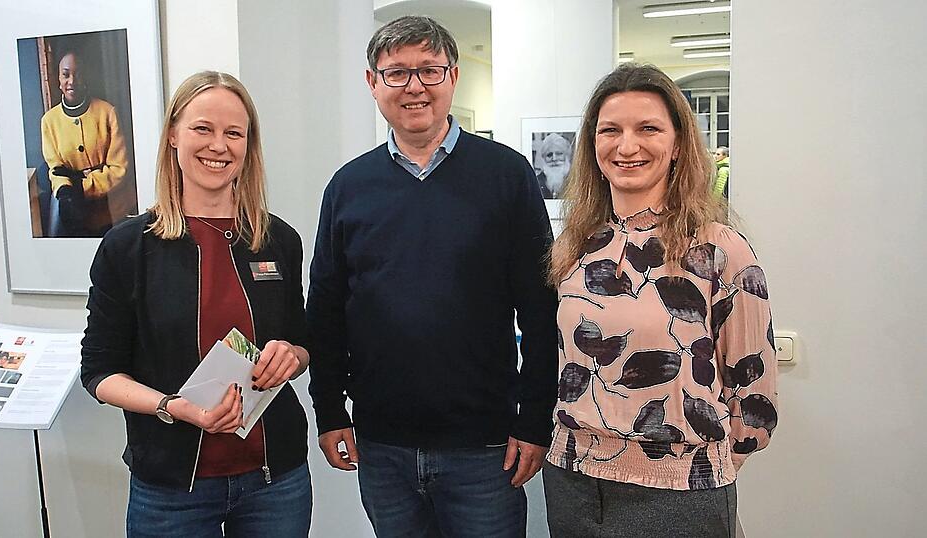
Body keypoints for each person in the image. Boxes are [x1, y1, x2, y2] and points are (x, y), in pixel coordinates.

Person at [307, 15, 558, 538]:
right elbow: (326, 307)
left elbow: (540, 307)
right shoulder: (348, 187)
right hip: (383, 444)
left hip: (485, 446)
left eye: (430, 70)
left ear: (454, 77)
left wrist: (535, 418)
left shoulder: (507, 175)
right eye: (397, 73)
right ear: (372, 83)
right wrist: (329, 409)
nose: (415, 87)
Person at [543, 63, 777, 537]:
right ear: (592, 145)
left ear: (677, 145)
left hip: (677, 491)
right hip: (573, 480)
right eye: (611, 130)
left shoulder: (717, 248)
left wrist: (699, 470)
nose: (626, 146)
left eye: (647, 128)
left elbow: (754, 397)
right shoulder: (577, 244)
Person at [80, 71, 312, 537]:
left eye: (233, 133)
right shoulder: (129, 247)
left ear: (249, 145)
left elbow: (302, 343)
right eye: (202, 129)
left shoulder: (277, 239)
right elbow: (99, 372)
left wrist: (292, 356)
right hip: (172, 491)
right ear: (173, 135)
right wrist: (173, 406)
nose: (218, 146)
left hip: (275, 483)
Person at [40, 49, 134, 236]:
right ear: (58, 79)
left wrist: (82, 188)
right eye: (66, 75)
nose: (72, 81)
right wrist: (66, 191)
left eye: (78, 74)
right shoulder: (49, 121)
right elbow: (55, 169)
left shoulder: (107, 112)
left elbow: (119, 168)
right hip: (70, 209)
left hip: (109, 210)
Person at [535, 132, 572, 198]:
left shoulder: (575, 180)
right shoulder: (536, 181)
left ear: (566, 156)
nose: (554, 159)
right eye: (549, 155)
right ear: (544, 158)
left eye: (559, 153)